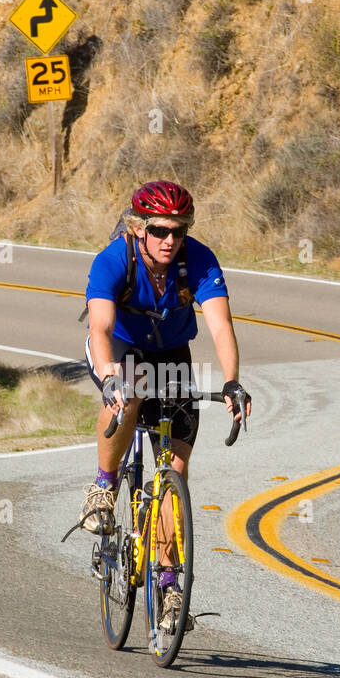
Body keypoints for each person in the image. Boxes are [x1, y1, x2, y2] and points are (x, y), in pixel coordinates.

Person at [80, 180, 251, 630]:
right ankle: (103, 486)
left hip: (172, 355)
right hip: (120, 348)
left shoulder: (198, 260)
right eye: (159, 230)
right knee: (131, 391)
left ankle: (171, 583)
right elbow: (99, 328)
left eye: (178, 230)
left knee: (174, 467)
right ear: (139, 228)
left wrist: (232, 382)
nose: (169, 240)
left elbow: (220, 327)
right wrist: (109, 376)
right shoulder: (114, 259)